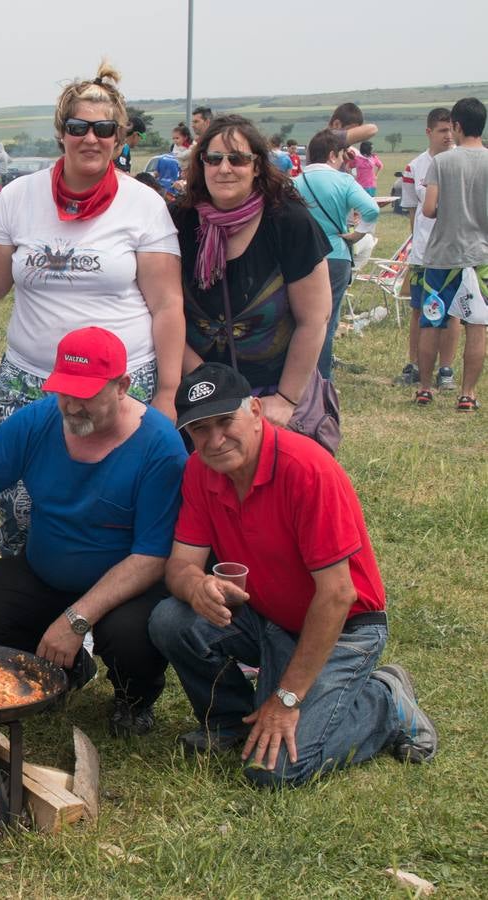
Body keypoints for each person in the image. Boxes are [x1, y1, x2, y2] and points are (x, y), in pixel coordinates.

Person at [0, 62, 183, 558]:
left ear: (119, 136)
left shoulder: (143, 204)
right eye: (79, 127)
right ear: (61, 132)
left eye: (104, 129)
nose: (91, 138)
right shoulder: (19, 197)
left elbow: (168, 304)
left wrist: (167, 394)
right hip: (31, 379)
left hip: (120, 384)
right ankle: (24, 613)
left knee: (113, 505)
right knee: (22, 505)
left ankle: (100, 620)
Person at [150, 363, 436, 787]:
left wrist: (286, 699)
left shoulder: (306, 469)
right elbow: (179, 565)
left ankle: (385, 701)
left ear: (256, 411)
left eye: (225, 421)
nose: (214, 440)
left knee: (275, 772)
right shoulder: (199, 470)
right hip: (270, 617)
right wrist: (197, 586)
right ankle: (230, 720)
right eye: (199, 430)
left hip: (344, 629)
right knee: (170, 619)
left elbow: (338, 595)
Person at [0, 327, 186, 735]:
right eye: (64, 391)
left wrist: (76, 620)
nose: (72, 406)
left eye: (86, 394)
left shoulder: (159, 446)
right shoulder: (40, 420)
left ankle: (134, 698)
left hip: (126, 589)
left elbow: (151, 557)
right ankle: (62, 671)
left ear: (123, 386)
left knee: (131, 635)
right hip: (46, 573)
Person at [171, 115, 331, 428]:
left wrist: (286, 400)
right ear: (201, 166)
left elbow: (314, 319)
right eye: (213, 159)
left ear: (257, 166)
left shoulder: (289, 222)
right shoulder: (179, 221)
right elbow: (163, 310)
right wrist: (207, 383)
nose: (225, 168)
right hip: (197, 388)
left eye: (238, 159)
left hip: (272, 392)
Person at [417, 97, 488, 411]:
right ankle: (468, 394)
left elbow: (429, 209)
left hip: (443, 256)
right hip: (481, 258)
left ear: (457, 126)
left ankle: (424, 388)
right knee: (477, 326)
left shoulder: (442, 162)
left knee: (432, 322)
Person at [293, 129, 380, 379]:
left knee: (301, 321)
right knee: (327, 324)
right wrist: (360, 232)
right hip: (336, 254)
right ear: (333, 155)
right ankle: (322, 381)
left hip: (302, 256)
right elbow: (371, 210)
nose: (344, 159)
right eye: (342, 155)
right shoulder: (344, 181)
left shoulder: (294, 182)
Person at [398, 108, 458, 388]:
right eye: (442, 131)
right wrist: (415, 247)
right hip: (423, 251)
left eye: (450, 129)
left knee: (452, 312)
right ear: (429, 132)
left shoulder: (460, 161)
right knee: (420, 310)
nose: (448, 136)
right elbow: (413, 212)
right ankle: (414, 364)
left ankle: (446, 368)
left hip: (455, 251)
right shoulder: (414, 167)